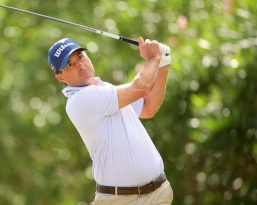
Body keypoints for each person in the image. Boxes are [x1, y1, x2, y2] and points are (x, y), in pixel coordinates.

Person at [47, 37, 173, 205]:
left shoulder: (106, 89)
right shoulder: (79, 100)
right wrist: (153, 58)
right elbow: (140, 87)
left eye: (80, 57)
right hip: (119, 200)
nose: (80, 64)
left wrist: (164, 61)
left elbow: (148, 108)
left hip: (158, 194)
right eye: (70, 64)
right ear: (61, 77)